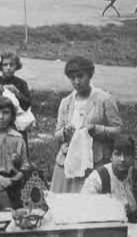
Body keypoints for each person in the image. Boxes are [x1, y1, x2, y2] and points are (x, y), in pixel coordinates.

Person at [50, 56, 123, 193]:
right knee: (64, 204)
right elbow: (57, 134)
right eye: (72, 78)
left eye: (80, 76)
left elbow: (118, 129)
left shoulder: (104, 99)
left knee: (88, 204)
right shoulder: (66, 102)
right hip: (68, 161)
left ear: (90, 75)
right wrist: (65, 132)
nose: (77, 82)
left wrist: (96, 129)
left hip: (94, 161)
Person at [0, 52, 32, 125]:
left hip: (18, 122)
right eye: (5, 65)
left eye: (12, 65)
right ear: (0, 67)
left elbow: (27, 104)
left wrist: (17, 93)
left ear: (16, 66)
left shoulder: (21, 83)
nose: (8, 68)